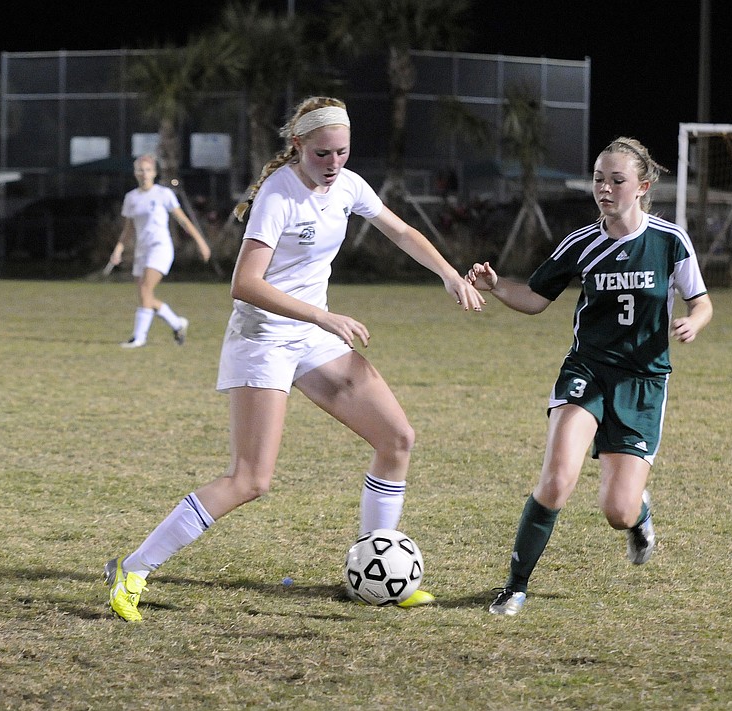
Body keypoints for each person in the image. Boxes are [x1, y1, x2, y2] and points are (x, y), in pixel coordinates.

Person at [104, 96, 485, 621]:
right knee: (250, 479)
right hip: (262, 338)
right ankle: (132, 568)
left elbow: (401, 231)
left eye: (342, 152)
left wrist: (448, 274)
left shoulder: (348, 185)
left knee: (396, 439)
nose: (334, 163)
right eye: (323, 153)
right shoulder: (279, 195)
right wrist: (323, 316)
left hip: (311, 334)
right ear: (298, 145)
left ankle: (374, 575)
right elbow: (245, 284)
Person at [467, 137, 713, 616]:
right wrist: (496, 287)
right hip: (587, 371)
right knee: (557, 479)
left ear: (642, 187)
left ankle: (639, 516)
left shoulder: (669, 241)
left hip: (643, 383)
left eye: (617, 180)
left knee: (617, 510)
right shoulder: (581, 243)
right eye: (599, 179)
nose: (605, 188)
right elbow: (535, 299)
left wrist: (694, 322)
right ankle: (515, 587)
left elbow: (701, 302)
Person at [108, 153, 212, 348]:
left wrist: (201, 242)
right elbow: (128, 229)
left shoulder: (163, 194)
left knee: (146, 290)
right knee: (145, 296)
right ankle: (177, 323)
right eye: (140, 170)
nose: (144, 173)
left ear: (154, 173)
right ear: (135, 173)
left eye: (148, 170)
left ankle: (139, 338)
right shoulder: (131, 198)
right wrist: (118, 250)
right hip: (142, 250)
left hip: (160, 248)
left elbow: (183, 220)